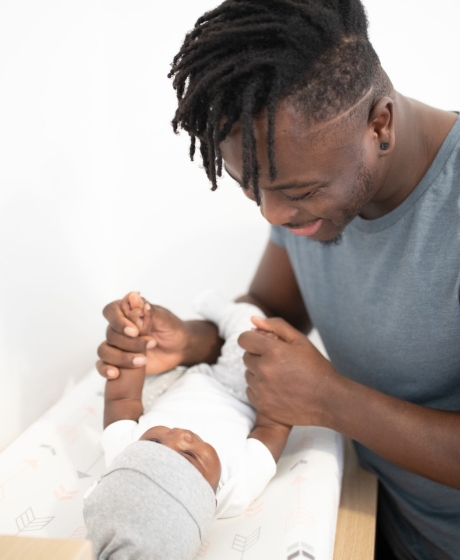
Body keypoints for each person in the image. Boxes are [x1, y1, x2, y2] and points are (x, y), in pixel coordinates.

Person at [96, 1, 460, 558]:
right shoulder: (301, 185)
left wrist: (333, 401)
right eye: (250, 188)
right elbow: (270, 307)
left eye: (296, 192)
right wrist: (193, 341)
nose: (271, 215)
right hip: (369, 514)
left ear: (379, 124)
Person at [86, 291, 291, 559]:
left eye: (154, 443)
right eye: (190, 455)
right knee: (256, 336)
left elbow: (123, 397)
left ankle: (205, 321)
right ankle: (222, 308)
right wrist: (278, 387)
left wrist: (133, 343)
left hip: (175, 378)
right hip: (239, 389)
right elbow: (271, 428)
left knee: (155, 353)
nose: (178, 435)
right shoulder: (236, 488)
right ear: (210, 500)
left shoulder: (123, 457)